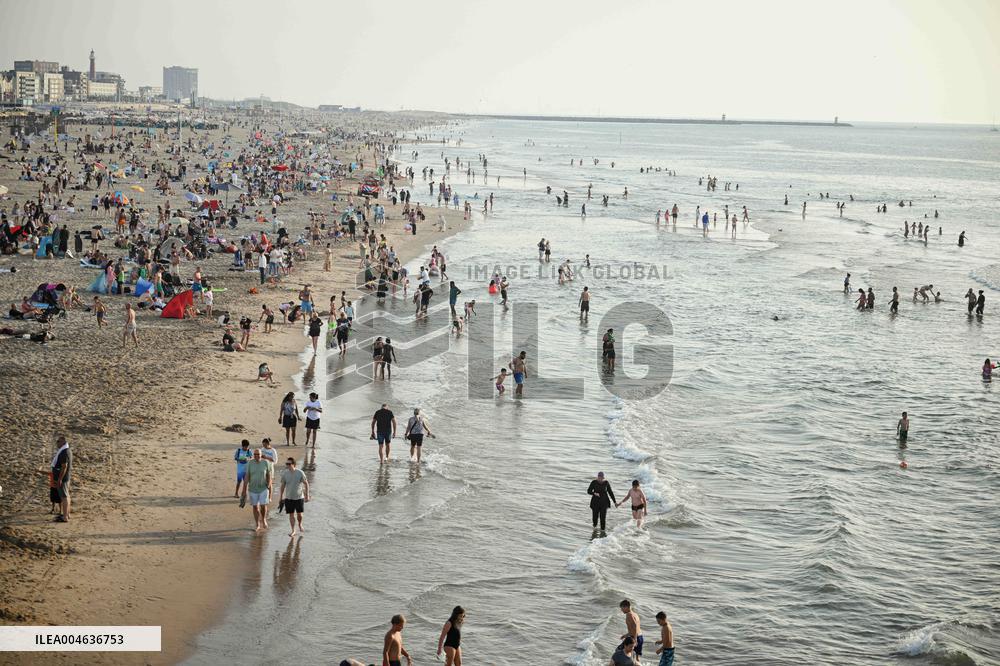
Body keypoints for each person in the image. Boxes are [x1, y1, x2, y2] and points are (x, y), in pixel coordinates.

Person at [279, 456, 310, 537]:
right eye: (286, 464)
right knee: (291, 515)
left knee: (299, 515)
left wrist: (307, 495)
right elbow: (282, 486)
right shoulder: (285, 473)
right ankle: (293, 530)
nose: (287, 465)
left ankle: (300, 524)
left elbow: (306, 484)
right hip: (289, 498)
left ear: (293, 464)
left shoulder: (300, 472)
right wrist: (281, 497)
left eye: (289, 464)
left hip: (299, 497)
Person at [242, 449, 272, 532]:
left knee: (263, 505)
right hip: (252, 489)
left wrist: (269, 484)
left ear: (261, 454)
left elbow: (269, 474)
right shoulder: (249, 463)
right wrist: (244, 489)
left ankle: (264, 519)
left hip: (263, 488)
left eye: (258, 454)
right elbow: (247, 476)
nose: (256, 456)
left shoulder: (266, 462)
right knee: (255, 507)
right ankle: (257, 524)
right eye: (255, 454)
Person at [51, 435, 71, 523]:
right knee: (66, 496)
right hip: (65, 477)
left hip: (62, 478)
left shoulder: (64, 452)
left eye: (58, 441)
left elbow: (64, 467)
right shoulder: (66, 450)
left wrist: (59, 479)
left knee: (64, 497)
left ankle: (65, 517)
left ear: (63, 442)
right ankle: (67, 514)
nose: (57, 443)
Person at [619, 599, 644, 664]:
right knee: (636, 657)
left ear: (626, 607)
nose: (621, 610)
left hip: (634, 638)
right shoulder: (635, 614)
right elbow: (634, 629)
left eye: (622, 608)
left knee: (619, 652)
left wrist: (635, 640)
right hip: (640, 637)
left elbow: (635, 626)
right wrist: (625, 635)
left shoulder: (629, 615)